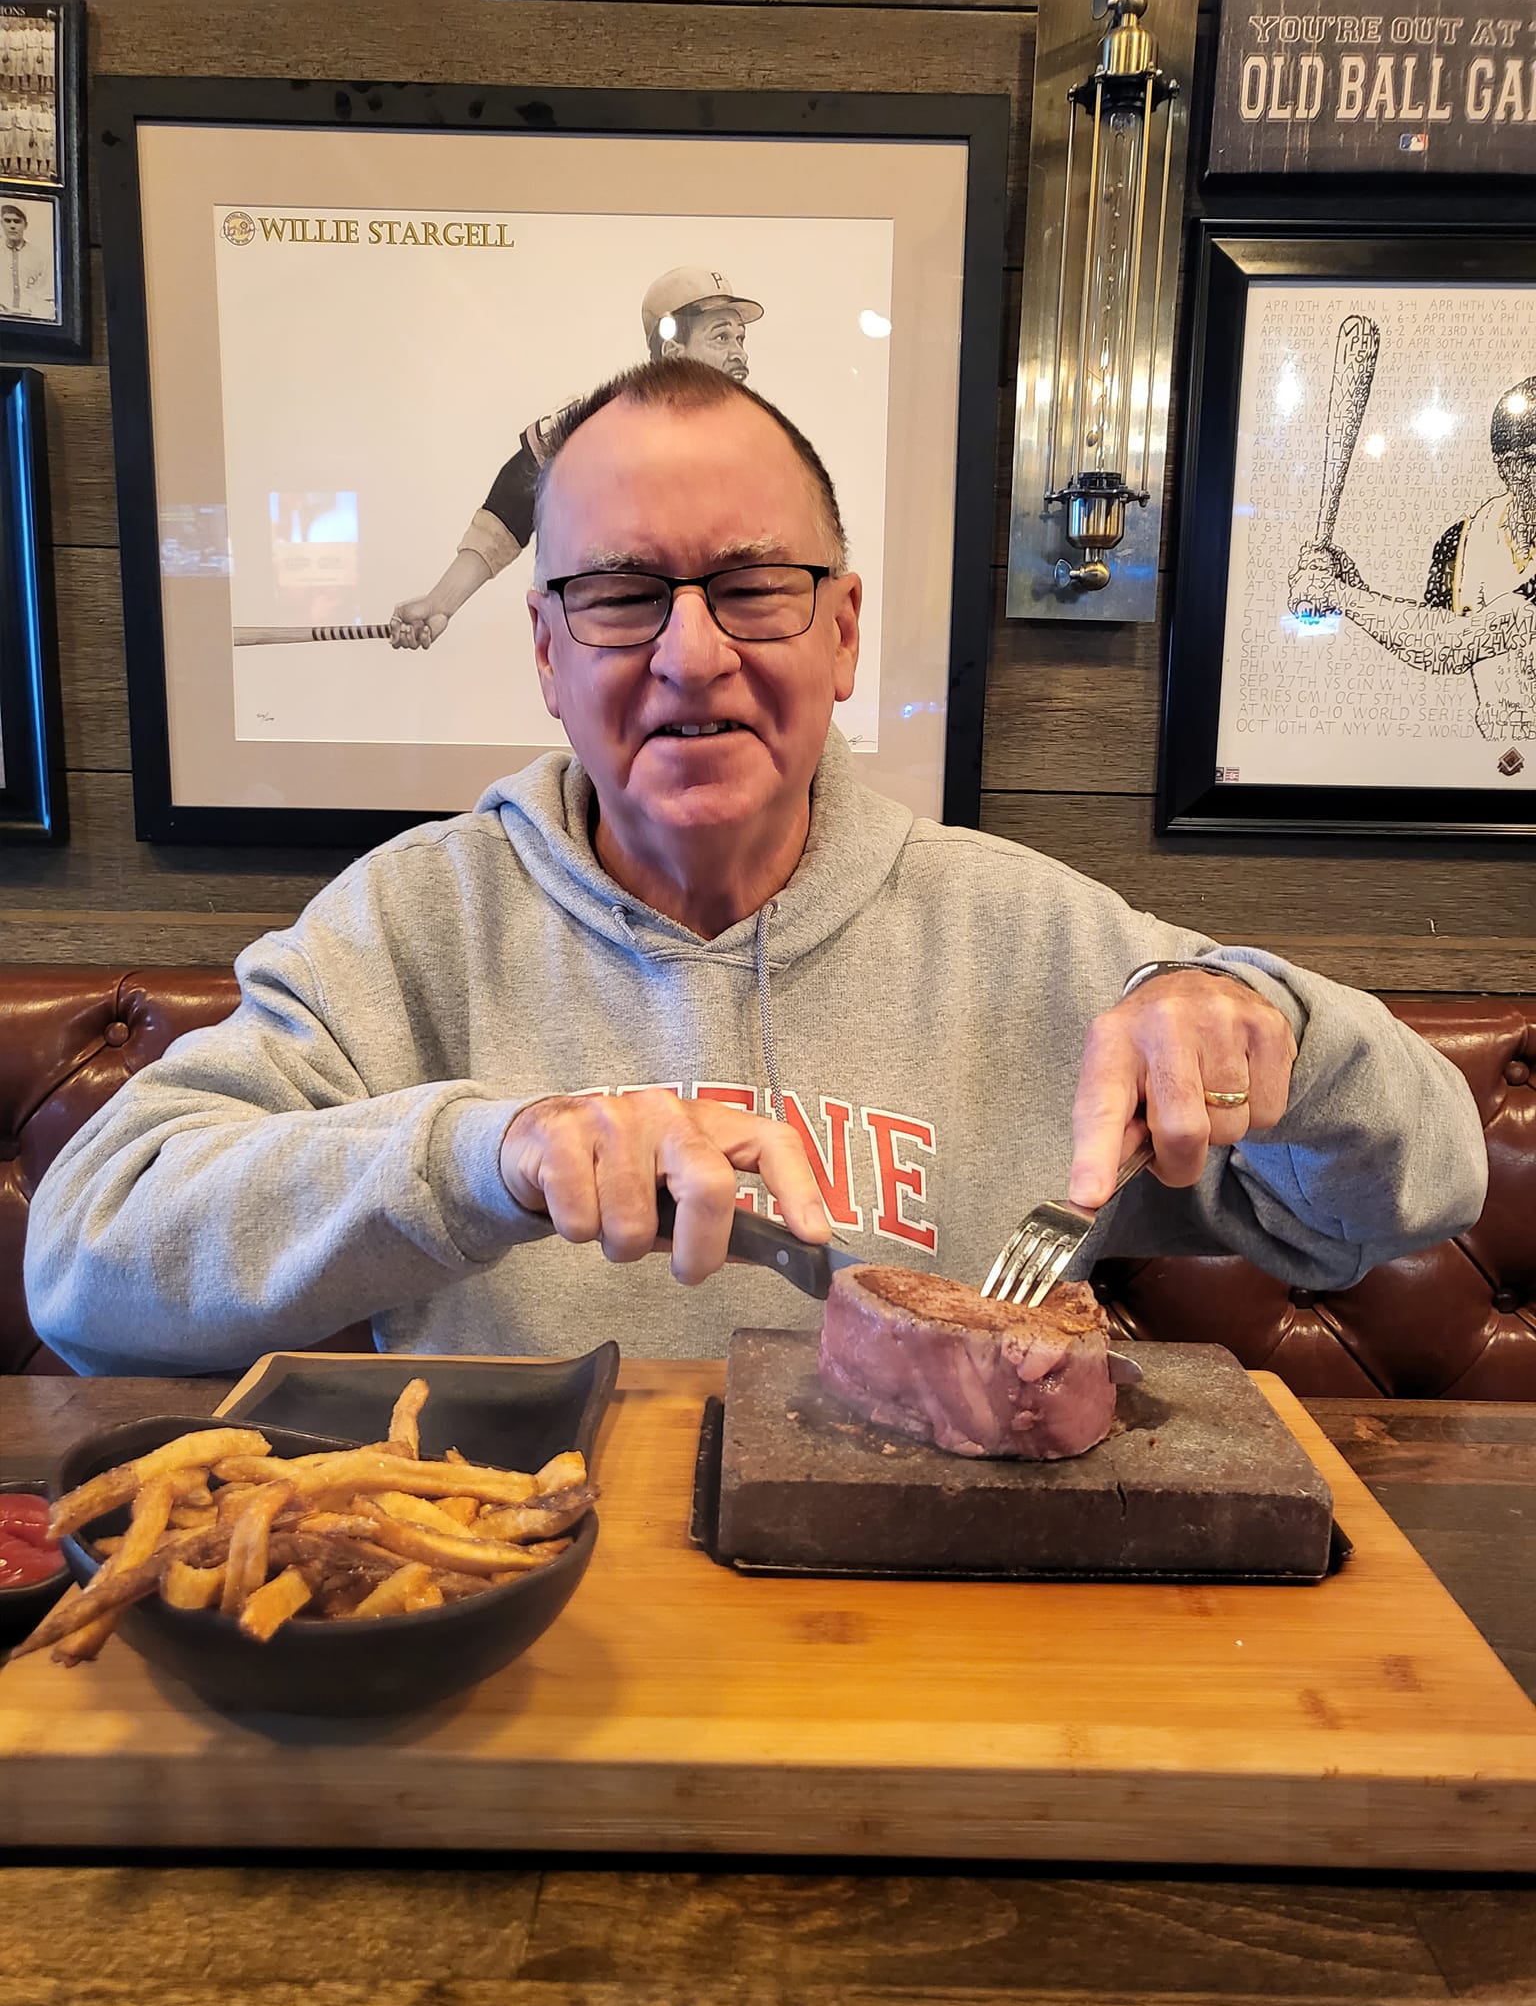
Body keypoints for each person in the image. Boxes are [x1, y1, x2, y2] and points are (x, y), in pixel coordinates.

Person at [25, 360, 1487, 1376]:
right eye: (618, 595)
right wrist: (488, 1152)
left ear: (841, 631)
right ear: (546, 650)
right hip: (532, 1635)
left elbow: (1414, 1192)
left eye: (750, 587)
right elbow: (87, 1270)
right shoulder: (411, 925)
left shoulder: (1030, 934)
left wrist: (1268, 1020)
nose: (691, 653)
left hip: (934, 1625)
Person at [388, 264, 763, 653]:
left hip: (721, 643)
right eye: (721, 337)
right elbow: (514, 499)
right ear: (673, 351)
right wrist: (441, 603)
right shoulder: (604, 420)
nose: (739, 354)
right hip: (626, 644)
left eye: (740, 338)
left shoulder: (758, 443)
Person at [1289, 377, 1536, 742]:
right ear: (1512, 467)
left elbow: (1452, 645)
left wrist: (1341, 596)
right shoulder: (1460, 540)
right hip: (1495, 751)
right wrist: (1351, 586)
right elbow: (1426, 633)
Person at [1, 200, 53, 322]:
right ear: (1, 223)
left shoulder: (40, 257)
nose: (12, 226)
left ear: (25, 225)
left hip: (30, 319)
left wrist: (37, 316)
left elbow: (48, 296)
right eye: (7, 221)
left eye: (17, 221)